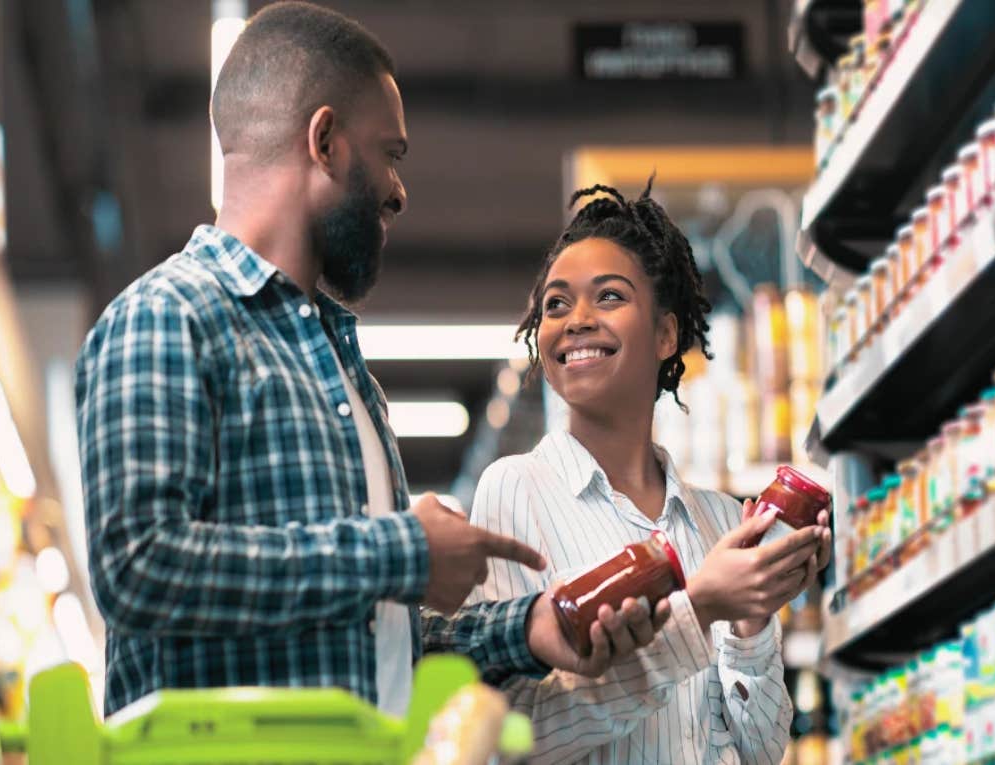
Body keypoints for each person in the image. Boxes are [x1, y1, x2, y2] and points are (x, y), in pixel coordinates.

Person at [75, 2, 662, 718]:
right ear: (325, 141)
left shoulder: (344, 372)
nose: (399, 189)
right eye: (391, 153)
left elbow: (379, 644)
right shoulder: (166, 317)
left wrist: (532, 629)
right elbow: (138, 567)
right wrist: (399, 553)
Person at [468, 181, 833, 764]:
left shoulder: (717, 518)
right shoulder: (517, 490)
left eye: (608, 297)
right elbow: (513, 737)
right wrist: (701, 610)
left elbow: (762, 751)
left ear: (667, 335)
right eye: (556, 304)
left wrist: (752, 621)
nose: (576, 320)